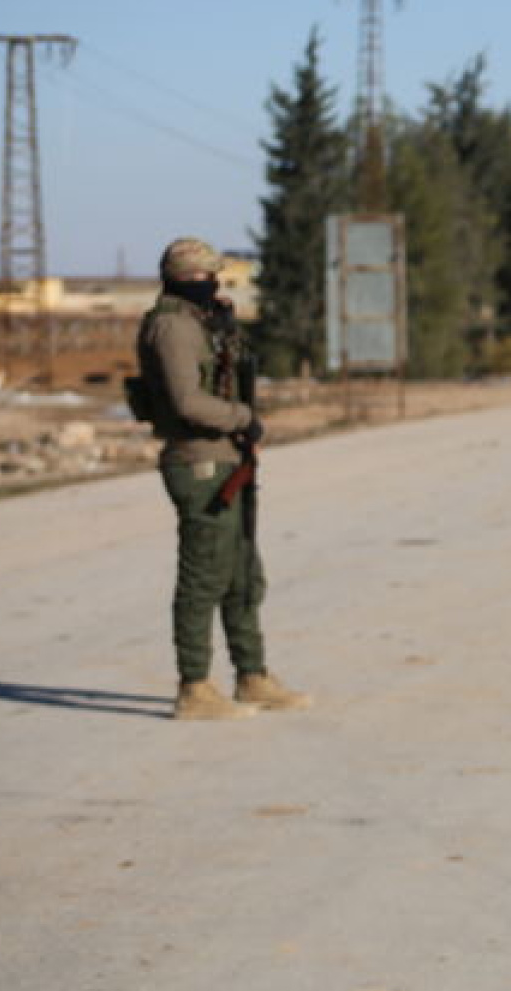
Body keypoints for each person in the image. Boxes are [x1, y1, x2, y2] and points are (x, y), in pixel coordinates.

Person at [135, 237, 311, 721]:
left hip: (226, 460)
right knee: (203, 577)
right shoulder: (172, 327)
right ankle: (195, 687)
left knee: (242, 575)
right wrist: (241, 418)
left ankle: (252, 676)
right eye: (205, 276)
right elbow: (187, 402)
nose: (212, 284)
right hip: (198, 462)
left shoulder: (200, 322)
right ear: (185, 277)